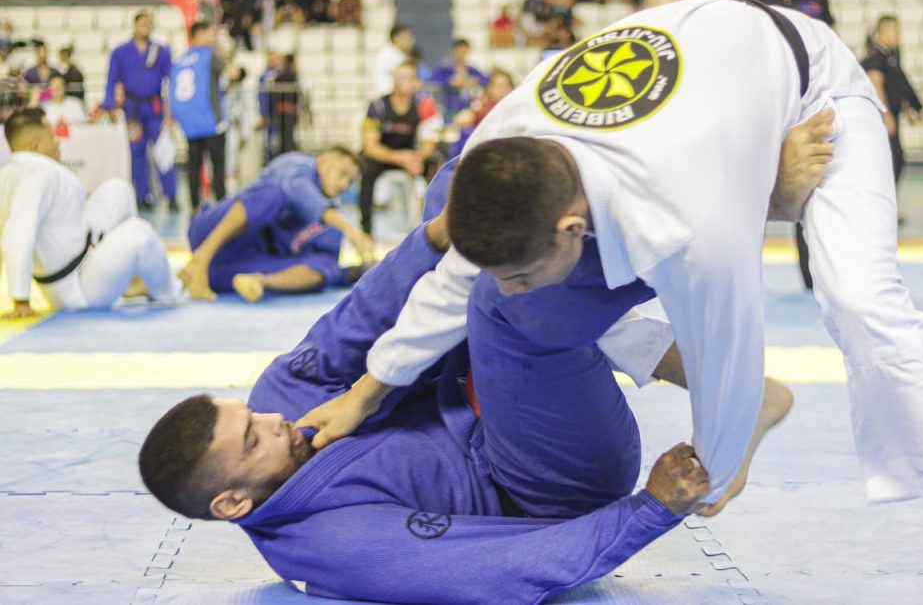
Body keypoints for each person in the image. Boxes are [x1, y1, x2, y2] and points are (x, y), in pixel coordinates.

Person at [298, 0, 923, 605]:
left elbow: (727, 346)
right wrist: (368, 390)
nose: (504, 286)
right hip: (694, 95)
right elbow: (460, 272)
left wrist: (717, 455)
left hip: (806, 88)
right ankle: (763, 184)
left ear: (570, 227)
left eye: (517, 268)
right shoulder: (499, 147)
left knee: (866, 306)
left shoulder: (692, 225)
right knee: (520, 300)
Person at [140, 192, 710, 604]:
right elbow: (498, 570)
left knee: (467, 193)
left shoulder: (280, 401)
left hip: (479, 388)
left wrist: (433, 236)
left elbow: (360, 318)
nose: (271, 419)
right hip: (550, 481)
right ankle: (699, 231)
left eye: (251, 414)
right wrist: (651, 510)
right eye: (251, 437)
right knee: (503, 290)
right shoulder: (331, 546)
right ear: (232, 503)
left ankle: (694, 358)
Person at [0, 108, 178, 318]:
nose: (58, 141)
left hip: (83, 257)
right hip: (80, 289)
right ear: (34, 146)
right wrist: (21, 300)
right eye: (51, 136)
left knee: (117, 190)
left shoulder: (16, 172)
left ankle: (133, 279)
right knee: (140, 234)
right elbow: (18, 236)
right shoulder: (35, 175)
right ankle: (171, 292)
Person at [737, 0, 834, 290]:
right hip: (763, 109)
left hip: (809, 107)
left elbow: (830, 43)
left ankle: (816, 280)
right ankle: (744, 280)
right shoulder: (745, 0)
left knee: (812, 192)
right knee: (752, 195)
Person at [178, 147, 374, 303]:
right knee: (274, 194)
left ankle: (256, 281)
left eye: (350, 181)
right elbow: (301, 193)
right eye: (343, 174)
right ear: (322, 162)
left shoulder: (332, 223)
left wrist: (361, 270)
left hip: (247, 260)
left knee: (326, 264)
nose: (344, 185)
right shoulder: (298, 165)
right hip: (212, 232)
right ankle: (201, 259)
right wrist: (352, 231)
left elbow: (325, 265)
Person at [102, 12, 175, 212]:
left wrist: (171, 114)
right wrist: (110, 106)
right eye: (142, 23)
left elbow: (171, 82)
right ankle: (142, 195)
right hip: (132, 108)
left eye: (149, 23)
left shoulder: (160, 51)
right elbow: (111, 79)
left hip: (155, 106)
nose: (145, 26)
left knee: (163, 151)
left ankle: (172, 195)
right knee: (137, 153)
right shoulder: (120, 52)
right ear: (134, 25)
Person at [359, 61, 441, 235]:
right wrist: (401, 158)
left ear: (416, 82)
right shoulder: (377, 106)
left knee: (435, 166)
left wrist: (416, 158)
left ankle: (432, 226)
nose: (399, 81)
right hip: (384, 156)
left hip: (411, 155)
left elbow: (429, 143)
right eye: (396, 76)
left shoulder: (424, 105)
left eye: (405, 77)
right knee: (366, 168)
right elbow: (370, 147)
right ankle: (366, 230)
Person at [170, 20, 238, 213]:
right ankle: (222, 204)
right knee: (218, 165)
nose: (213, 37)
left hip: (190, 123)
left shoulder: (180, 60)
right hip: (211, 121)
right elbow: (233, 73)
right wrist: (226, 53)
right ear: (200, 34)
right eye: (210, 33)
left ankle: (193, 204)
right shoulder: (210, 56)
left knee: (194, 165)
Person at [861, 15, 923, 189]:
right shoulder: (875, 56)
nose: (898, 36)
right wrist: (885, 115)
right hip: (880, 117)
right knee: (890, 159)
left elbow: (898, 83)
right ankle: (882, 203)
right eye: (895, 31)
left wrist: (910, 107)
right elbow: (876, 84)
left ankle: (888, 202)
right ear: (882, 32)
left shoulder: (891, 56)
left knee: (896, 159)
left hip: (892, 113)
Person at [450, 68, 514, 158]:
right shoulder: (484, 106)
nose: (503, 91)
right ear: (490, 88)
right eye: (499, 86)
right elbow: (460, 120)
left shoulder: (515, 108)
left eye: (506, 86)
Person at [429, 38, 488, 123]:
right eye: (459, 51)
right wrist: (449, 82)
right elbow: (433, 81)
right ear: (454, 51)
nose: (462, 55)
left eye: (464, 52)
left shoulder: (471, 70)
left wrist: (474, 81)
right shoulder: (445, 69)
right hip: (449, 107)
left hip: (466, 107)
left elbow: (486, 79)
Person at [372, 24, 415, 98]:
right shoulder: (386, 56)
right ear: (396, 38)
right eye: (407, 38)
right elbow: (384, 82)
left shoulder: (401, 55)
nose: (410, 42)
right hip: (390, 98)